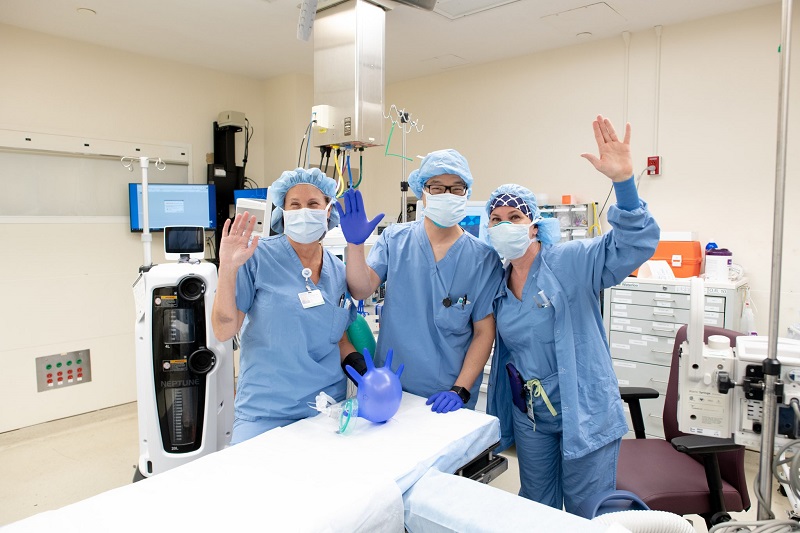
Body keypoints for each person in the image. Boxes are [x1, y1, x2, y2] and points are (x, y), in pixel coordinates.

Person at [485, 115, 660, 514]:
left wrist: (624, 183)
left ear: (534, 224)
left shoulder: (570, 262)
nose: (505, 225)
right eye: (496, 220)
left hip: (585, 409)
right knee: (537, 509)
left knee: (589, 512)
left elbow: (634, 244)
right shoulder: (496, 282)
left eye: (515, 217)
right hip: (532, 417)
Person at [336, 149, 503, 413]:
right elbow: (361, 289)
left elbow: (484, 332)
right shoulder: (396, 240)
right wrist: (355, 246)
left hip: (447, 396)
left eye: (456, 188)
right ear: (422, 192)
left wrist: (460, 389)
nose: (446, 195)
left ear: (467, 192)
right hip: (389, 389)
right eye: (436, 187)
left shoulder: (483, 259)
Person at [211, 167, 357, 444]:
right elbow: (223, 330)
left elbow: (339, 339)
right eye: (295, 205)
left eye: (313, 204)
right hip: (267, 410)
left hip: (326, 407)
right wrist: (227, 267)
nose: (304, 211)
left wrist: (363, 370)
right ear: (283, 212)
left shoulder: (338, 270)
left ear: (328, 210)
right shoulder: (254, 257)